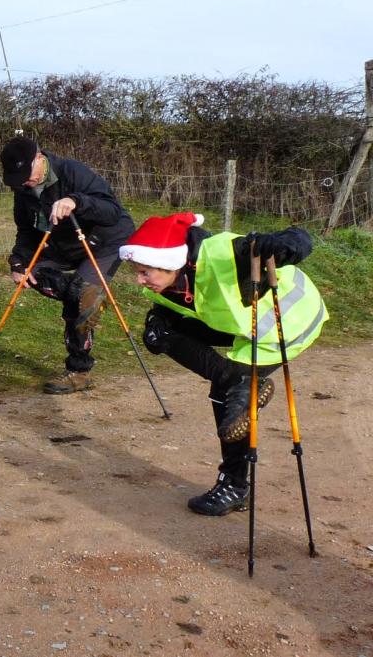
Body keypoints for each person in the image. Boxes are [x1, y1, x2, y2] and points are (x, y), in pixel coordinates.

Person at [119, 212, 327, 516]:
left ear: (169, 263)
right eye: (136, 271)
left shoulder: (227, 256)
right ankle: (236, 383)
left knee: (226, 397)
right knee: (158, 330)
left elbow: (301, 238)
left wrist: (280, 247)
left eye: (144, 272)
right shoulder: (168, 281)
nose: (138, 280)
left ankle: (234, 486)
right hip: (242, 322)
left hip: (288, 320)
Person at [0, 136, 135, 394]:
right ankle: (85, 295)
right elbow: (27, 233)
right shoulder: (23, 190)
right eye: (16, 178)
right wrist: (18, 262)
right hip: (64, 246)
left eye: (26, 175)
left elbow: (111, 211)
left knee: (83, 295)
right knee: (36, 276)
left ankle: (79, 372)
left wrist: (76, 201)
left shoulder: (72, 171)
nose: (23, 182)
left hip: (105, 240)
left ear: (39, 159)